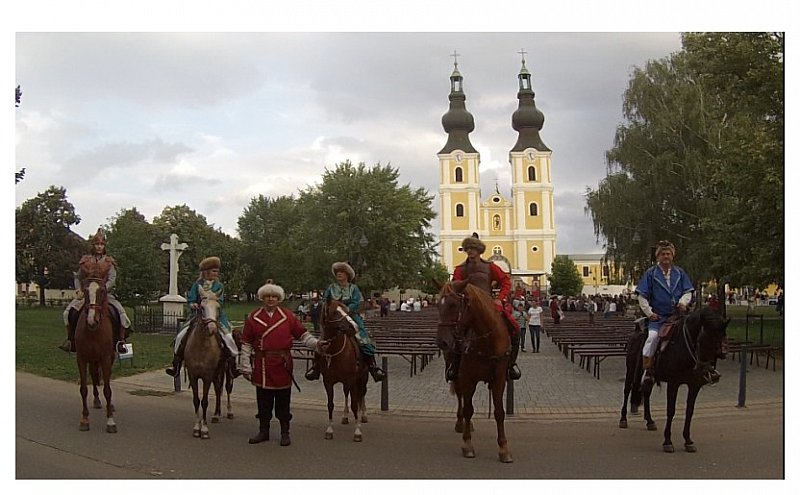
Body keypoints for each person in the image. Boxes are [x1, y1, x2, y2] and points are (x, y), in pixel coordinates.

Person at [239, 280, 329, 446]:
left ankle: (284, 432)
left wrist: (316, 344)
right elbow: (246, 343)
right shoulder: (254, 317)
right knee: (263, 401)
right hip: (262, 364)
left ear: (279, 298)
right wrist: (245, 365)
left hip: (283, 364)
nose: (271, 299)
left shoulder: (288, 316)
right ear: (262, 298)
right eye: (267, 296)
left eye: (274, 296)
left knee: (283, 401)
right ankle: (263, 431)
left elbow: (303, 336)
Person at [449, 234, 522, 381]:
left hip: (488, 306)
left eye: (473, 248)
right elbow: (455, 286)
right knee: (455, 333)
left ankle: (511, 364)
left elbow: (506, 282)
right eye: (468, 248)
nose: (470, 251)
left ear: (479, 250)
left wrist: (499, 299)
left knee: (514, 328)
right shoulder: (460, 269)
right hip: (467, 308)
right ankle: (454, 366)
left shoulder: (490, 267)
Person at [635, 240, 709, 385]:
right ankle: (648, 370)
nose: (666, 257)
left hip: (677, 316)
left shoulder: (679, 273)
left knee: (695, 336)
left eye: (668, 254)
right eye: (663, 254)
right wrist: (649, 313)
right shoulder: (650, 274)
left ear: (672, 256)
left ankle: (702, 367)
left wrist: (683, 303)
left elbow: (688, 291)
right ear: (658, 257)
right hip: (658, 317)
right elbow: (642, 296)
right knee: (653, 338)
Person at [304, 262, 386, 382]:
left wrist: (347, 308)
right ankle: (316, 367)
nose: (339, 274)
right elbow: (325, 301)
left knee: (363, 338)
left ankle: (373, 367)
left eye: (341, 272)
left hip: (350, 317)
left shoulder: (353, 288)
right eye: (337, 273)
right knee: (322, 340)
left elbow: (357, 302)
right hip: (333, 318)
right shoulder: (331, 288)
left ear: (347, 275)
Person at [165, 257, 240, 378]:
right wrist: (193, 304)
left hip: (216, 317)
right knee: (180, 335)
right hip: (198, 316)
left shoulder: (219, 286)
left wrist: (215, 304)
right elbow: (191, 299)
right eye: (213, 271)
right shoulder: (197, 285)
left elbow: (221, 301)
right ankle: (176, 365)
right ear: (205, 272)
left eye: (216, 271)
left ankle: (233, 366)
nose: (216, 274)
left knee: (228, 337)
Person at [60, 228, 131, 354]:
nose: (99, 247)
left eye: (102, 244)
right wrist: (78, 290)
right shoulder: (86, 261)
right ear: (93, 246)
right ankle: (71, 340)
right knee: (67, 314)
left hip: (105, 295)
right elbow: (78, 276)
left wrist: (102, 290)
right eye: (97, 244)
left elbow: (112, 279)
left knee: (123, 316)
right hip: (86, 294)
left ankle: (120, 341)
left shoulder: (109, 262)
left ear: (104, 246)